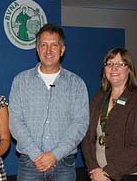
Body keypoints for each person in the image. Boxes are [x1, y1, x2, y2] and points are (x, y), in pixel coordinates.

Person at [9, 23, 89, 181]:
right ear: (37, 49)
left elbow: (80, 124)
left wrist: (54, 155)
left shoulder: (76, 84)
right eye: (43, 45)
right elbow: (15, 122)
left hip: (64, 164)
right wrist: (37, 155)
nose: (48, 50)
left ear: (62, 49)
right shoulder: (21, 81)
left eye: (54, 45)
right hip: (30, 164)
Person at [82, 48, 137, 181]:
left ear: (129, 69)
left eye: (120, 64)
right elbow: (86, 138)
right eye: (109, 64)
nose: (113, 68)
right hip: (98, 174)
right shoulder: (98, 98)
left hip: (132, 175)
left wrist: (108, 172)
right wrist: (93, 169)